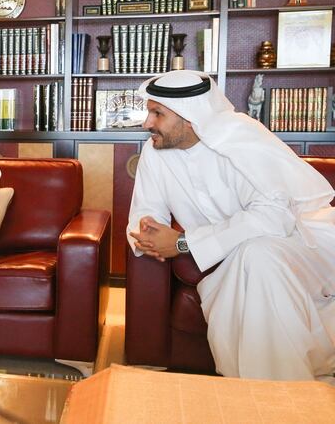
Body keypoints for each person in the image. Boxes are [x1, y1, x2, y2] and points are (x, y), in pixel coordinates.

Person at [127, 70, 335, 384]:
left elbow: (274, 217)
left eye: (157, 113)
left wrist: (184, 243)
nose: (146, 123)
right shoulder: (155, 151)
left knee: (258, 254)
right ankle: (278, 394)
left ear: (190, 118)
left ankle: (275, 396)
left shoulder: (242, 139)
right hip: (239, 257)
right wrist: (148, 235)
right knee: (254, 255)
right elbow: (145, 214)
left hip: (305, 245)